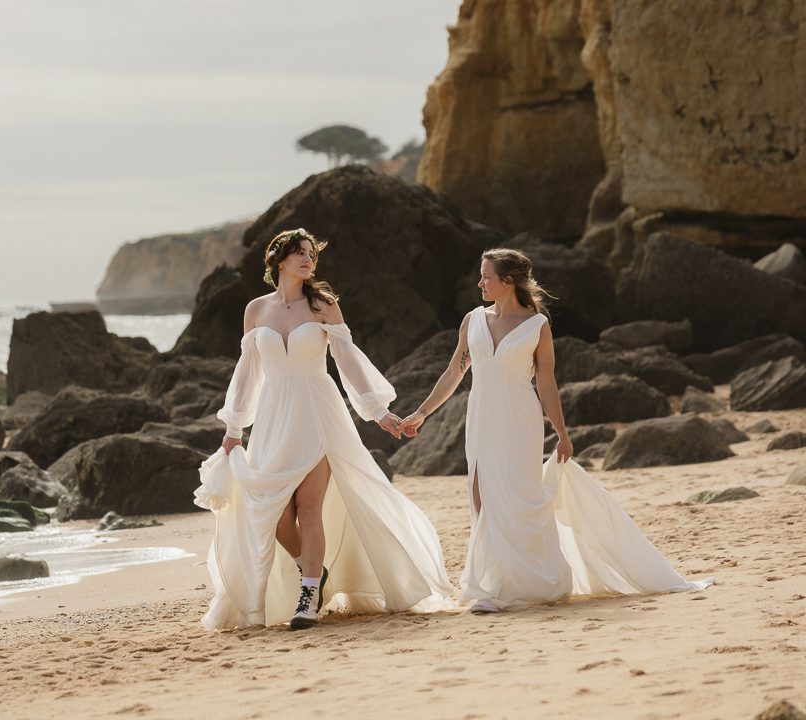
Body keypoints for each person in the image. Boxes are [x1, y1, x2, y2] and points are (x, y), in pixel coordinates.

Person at [400, 248, 712, 613]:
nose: (480, 282)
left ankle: (517, 585)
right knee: (481, 495)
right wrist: (422, 412)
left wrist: (562, 433)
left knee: (518, 496)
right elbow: (454, 372)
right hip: (481, 417)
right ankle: (494, 583)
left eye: (486, 276)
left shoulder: (537, 325)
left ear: (508, 281)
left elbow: (546, 384)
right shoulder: (473, 320)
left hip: (520, 419)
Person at [194, 228, 455, 631]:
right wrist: (233, 426)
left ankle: (308, 595)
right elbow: (247, 374)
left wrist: (378, 411)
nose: (307, 259)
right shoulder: (255, 310)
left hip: (318, 411)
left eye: (312, 254)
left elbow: (348, 361)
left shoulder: (323, 305)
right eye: (299, 253)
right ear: (279, 260)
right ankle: (310, 568)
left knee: (309, 509)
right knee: (275, 515)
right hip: (273, 417)